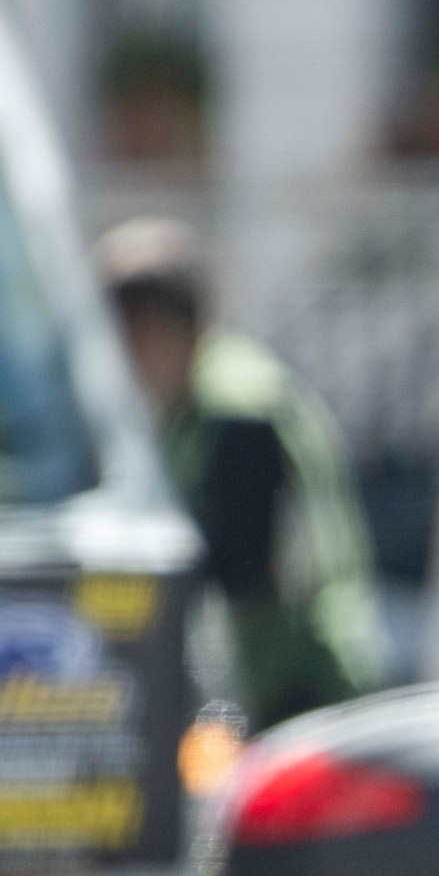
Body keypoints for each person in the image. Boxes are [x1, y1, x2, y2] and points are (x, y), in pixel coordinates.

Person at [95, 217, 385, 727]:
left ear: (168, 330)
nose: (122, 362)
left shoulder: (235, 411)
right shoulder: (208, 393)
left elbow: (240, 569)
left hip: (297, 687)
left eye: (131, 339)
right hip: (277, 678)